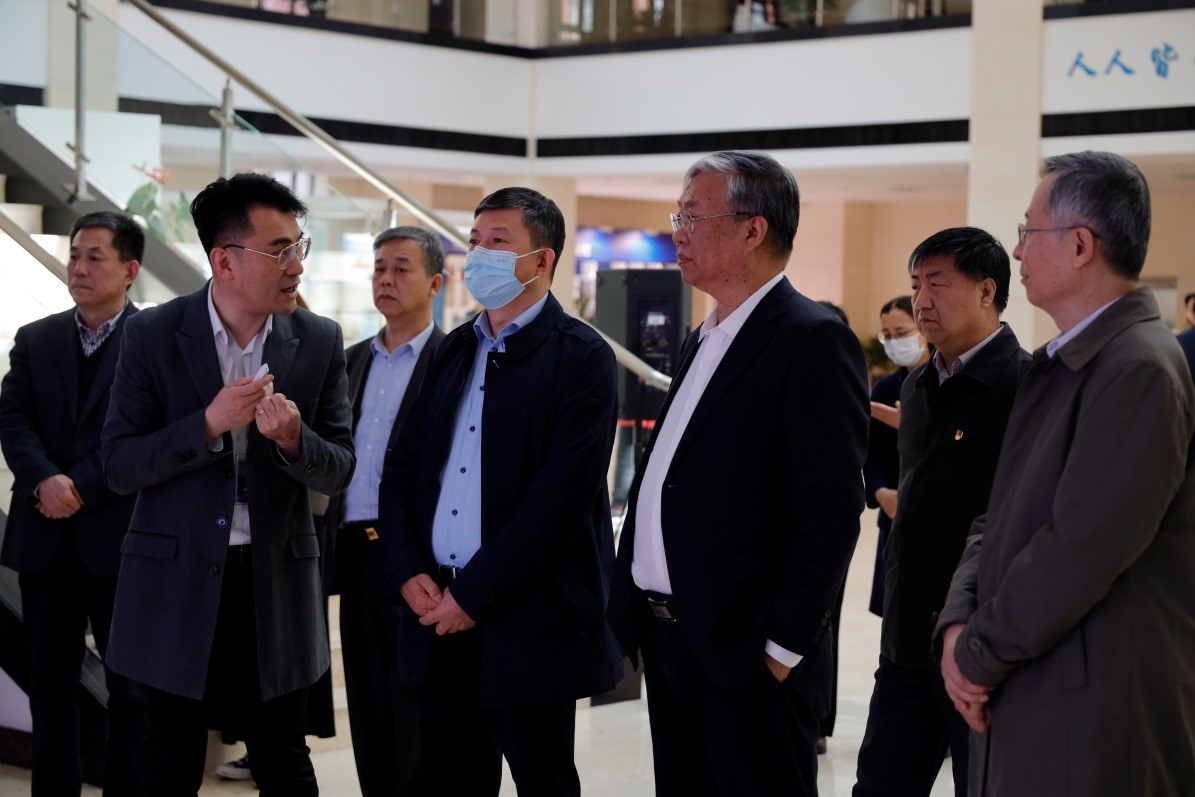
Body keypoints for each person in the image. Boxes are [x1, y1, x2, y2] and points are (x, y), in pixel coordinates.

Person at [607, 150, 869, 796]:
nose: (678, 232)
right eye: (678, 216)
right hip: (672, 638)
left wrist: (781, 647)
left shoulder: (810, 337)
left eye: (693, 217)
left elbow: (830, 509)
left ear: (753, 230)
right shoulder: (704, 335)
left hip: (745, 650)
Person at [936, 151, 1195, 796]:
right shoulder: (1065, 362)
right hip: (1034, 675)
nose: (1017, 251)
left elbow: (1081, 547)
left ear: (1080, 246)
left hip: (1089, 699)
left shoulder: (1137, 369)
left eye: (1028, 232)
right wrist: (959, 620)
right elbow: (998, 515)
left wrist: (977, 651)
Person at [100, 173, 355, 796]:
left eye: (299, 247)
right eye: (280, 250)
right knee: (167, 760)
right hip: (175, 577)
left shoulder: (318, 339)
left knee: (284, 758)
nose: (296, 266)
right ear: (225, 261)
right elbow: (120, 464)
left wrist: (295, 440)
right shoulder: (152, 334)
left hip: (274, 580)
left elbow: (340, 465)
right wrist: (208, 423)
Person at [378, 186, 623, 797]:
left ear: (542, 259)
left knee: (543, 778)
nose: (478, 255)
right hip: (437, 609)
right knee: (449, 780)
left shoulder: (581, 356)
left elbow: (559, 502)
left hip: (527, 618)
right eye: (474, 241)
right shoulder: (456, 348)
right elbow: (404, 467)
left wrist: (475, 594)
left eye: (497, 241)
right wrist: (407, 569)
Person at [853, 227, 1029, 797]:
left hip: (979, 646)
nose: (921, 300)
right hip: (906, 642)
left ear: (986, 291)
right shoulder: (920, 386)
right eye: (915, 285)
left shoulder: (1025, 385)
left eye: (937, 284)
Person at [0, 211, 143, 797]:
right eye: (75, 255)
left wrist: (79, 486)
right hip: (44, 536)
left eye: (95, 257)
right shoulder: (36, 338)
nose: (79, 268)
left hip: (121, 539)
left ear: (130, 270)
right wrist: (44, 481)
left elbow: (144, 435)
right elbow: (13, 418)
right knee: (49, 686)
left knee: (130, 689)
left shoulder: (155, 342)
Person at [323, 226, 444, 797]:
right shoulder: (348, 361)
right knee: (368, 702)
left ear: (435, 283)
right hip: (353, 549)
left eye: (401, 268)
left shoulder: (452, 361)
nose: (386, 279)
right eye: (379, 269)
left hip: (418, 556)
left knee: (417, 708)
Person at [865, 294, 929, 618]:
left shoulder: (945, 381)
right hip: (892, 512)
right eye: (887, 336)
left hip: (931, 513)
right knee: (893, 613)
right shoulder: (885, 388)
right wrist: (881, 492)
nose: (894, 342)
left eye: (901, 333)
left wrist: (913, 427)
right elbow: (871, 452)